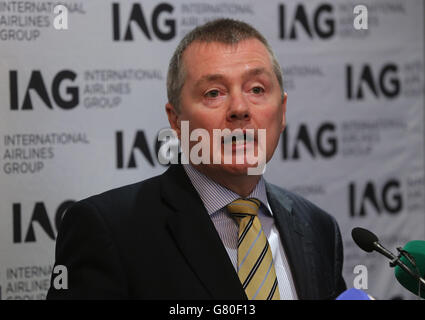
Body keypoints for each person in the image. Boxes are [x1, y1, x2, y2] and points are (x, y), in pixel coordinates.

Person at [47, 18, 346, 300]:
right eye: (214, 93)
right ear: (176, 120)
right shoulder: (107, 230)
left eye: (257, 89)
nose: (239, 108)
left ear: (282, 112)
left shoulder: (318, 228)